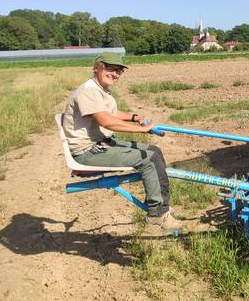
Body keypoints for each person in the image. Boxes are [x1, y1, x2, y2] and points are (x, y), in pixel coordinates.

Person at [62, 52, 182, 233]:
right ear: (97, 67)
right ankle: (157, 212)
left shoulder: (99, 89)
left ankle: (163, 206)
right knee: (149, 159)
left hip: (99, 143)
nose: (115, 73)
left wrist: (136, 117)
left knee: (154, 151)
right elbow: (107, 121)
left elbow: (112, 113)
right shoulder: (89, 91)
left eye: (119, 70)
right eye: (110, 68)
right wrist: (142, 129)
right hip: (87, 151)